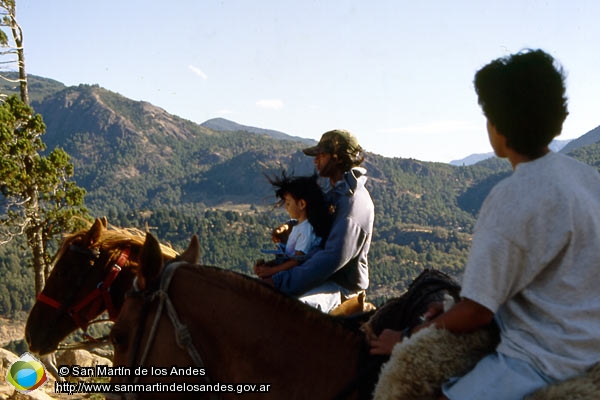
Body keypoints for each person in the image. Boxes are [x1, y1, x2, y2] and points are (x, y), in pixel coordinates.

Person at [370, 49, 600, 399]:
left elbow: (477, 312)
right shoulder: (587, 178)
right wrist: (458, 304)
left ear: (498, 126)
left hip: (539, 363)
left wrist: (404, 338)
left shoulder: (511, 196)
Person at [258, 129, 374, 313]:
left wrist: (282, 280)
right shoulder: (337, 193)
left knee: (291, 310)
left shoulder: (353, 203)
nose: (316, 160)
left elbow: (331, 258)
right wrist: (289, 228)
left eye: (322, 155)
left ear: (337, 157)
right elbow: (315, 218)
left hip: (340, 286)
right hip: (324, 279)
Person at [255, 172, 332, 278]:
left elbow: (296, 261)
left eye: (288, 203)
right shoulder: (301, 225)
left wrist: (271, 271)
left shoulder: (306, 231)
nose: (286, 207)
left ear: (302, 204)